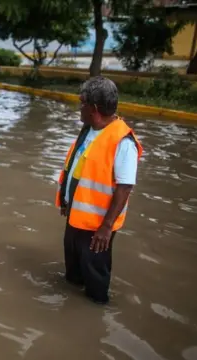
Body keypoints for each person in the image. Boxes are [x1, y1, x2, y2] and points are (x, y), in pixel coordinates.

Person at [56, 76, 143, 305]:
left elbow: (124, 188)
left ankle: (95, 313)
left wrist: (106, 228)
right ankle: (71, 307)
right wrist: (67, 199)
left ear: (93, 108)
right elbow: (78, 166)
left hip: (97, 227)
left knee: (95, 279)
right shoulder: (89, 129)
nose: (79, 108)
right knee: (73, 272)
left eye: (81, 103)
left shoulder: (123, 142)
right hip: (76, 217)